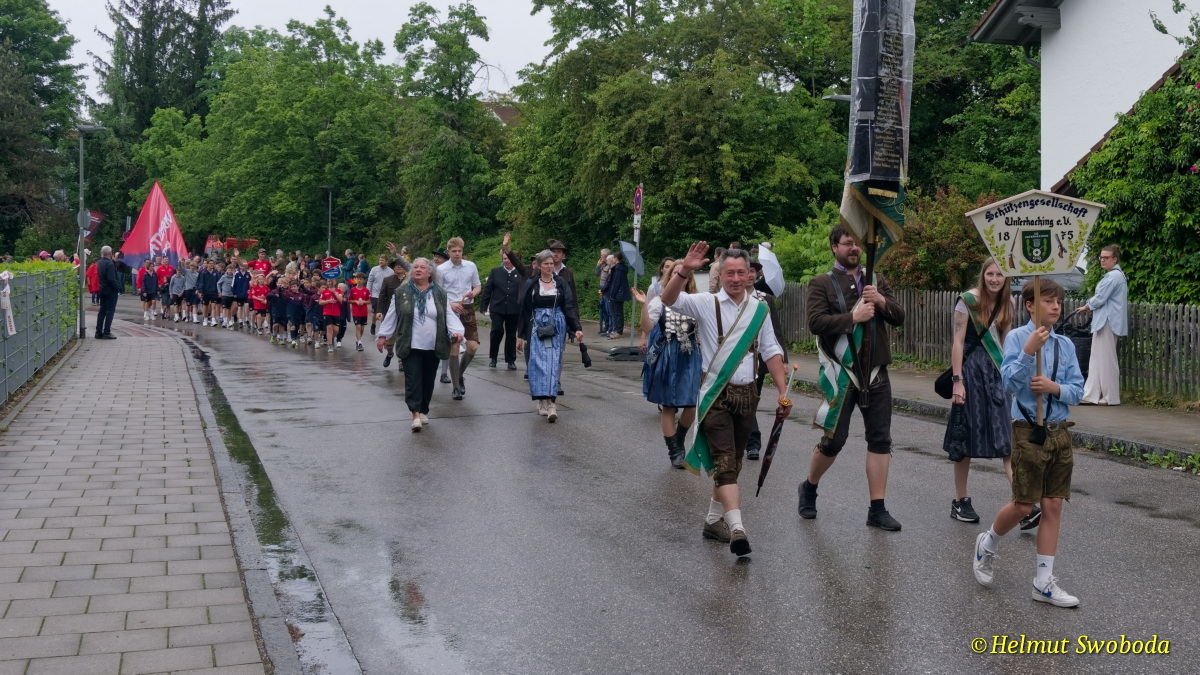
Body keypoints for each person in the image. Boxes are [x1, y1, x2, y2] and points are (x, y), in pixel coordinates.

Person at [659, 244, 790, 557]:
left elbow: (771, 349)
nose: (735, 278)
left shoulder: (759, 309)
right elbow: (668, 299)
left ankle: (712, 521)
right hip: (715, 394)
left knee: (735, 461)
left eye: (740, 272)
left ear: (749, 274)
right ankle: (737, 528)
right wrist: (684, 270)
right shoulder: (706, 303)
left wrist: (783, 391)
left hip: (748, 395)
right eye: (729, 273)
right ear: (720, 274)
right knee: (725, 462)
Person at [972, 277, 1084, 608]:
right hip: (1027, 430)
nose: (1055, 307)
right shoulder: (1018, 338)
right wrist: (1027, 352)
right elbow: (1008, 383)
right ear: (1030, 305)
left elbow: (1078, 390)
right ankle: (988, 543)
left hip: (1059, 431)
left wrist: (1054, 388)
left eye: (1058, 302)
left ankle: (1043, 582)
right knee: (1023, 504)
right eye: (1048, 301)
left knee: (1053, 505)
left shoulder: (1065, 345)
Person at [800, 225, 906, 531]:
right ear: (834, 247)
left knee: (880, 440)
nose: (854, 248)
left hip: (875, 372)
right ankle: (809, 486)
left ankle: (877, 509)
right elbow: (816, 322)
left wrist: (881, 300)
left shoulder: (875, 281)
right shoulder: (821, 283)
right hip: (843, 374)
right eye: (848, 243)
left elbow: (898, 317)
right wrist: (853, 318)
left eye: (857, 243)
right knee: (834, 440)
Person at [946, 258, 1014, 524]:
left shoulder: (1007, 303)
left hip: (996, 376)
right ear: (983, 275)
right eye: (990, 274)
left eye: (999, 274)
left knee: (1007, 438)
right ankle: (960, 501)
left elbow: (1007, 343)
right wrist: (957, 381)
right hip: (971, 374)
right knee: (964, 438)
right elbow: (958, 342)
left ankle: (1022, 502)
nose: (994, 279)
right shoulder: (968, 301)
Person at [375, 258, 465, 432]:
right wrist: (383, 336)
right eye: (415, 267)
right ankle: (415, 414)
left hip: (433, 345)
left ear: (429, 272)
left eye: (422, 267)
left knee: (428, 380)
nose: (418, 269)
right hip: (410, 344)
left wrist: (457, 331)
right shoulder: (401, 292)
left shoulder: (439, 293)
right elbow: (392, 315)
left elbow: (447, 314)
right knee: (413, 379)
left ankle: (423, 409)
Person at [632, 260, 700, 469]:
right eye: (675, 273)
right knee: (669, 405)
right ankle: (674, 451)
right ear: (669, 277)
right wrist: (644, 305)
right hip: (668, 355)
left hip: (690, 355)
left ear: (688, 279)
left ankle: (679, 438)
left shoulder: (697, 300)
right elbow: (647, 327)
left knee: (691, 403)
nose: (679, 277)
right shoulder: (659, 302)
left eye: (683, 274)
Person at [516, 250, 584, 422]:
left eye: (551, 264)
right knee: (539, 364)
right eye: (545, 264)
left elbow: (569, 306)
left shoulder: (560, 283)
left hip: (556, 326)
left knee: (553, 363)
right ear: (539, 266)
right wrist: (520, 335)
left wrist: (576, 328)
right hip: (537, 326)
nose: (549, 267)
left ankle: (552, 404)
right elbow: (524, 310)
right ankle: (542, 400)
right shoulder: (532, 284)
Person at [1080, 244, 1128, 406]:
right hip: (1104, 321)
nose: (1102, 260)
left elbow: (1100, 298)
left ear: (1115, 259)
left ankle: (1110, 397)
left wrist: (1087, 306)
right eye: (1101, 257)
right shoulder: (1113, 275)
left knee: (1107, 360)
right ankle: (1090, 395)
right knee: (1097, 359)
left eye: (1106, 257)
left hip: (1108, 321)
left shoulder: (1113, 276)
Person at [437, 237, 482, 400]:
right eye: (454, 251)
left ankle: (459, 375)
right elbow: (437, 293)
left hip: (467, 308)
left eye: (459, 251)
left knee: (472, 347)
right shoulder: (441, 269)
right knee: (454, 346)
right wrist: (450, 304)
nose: (457, 254)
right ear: (448, 252)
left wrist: (473, 293)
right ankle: (456, 387)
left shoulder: (471, 266)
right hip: (450, 310)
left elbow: (477, 286)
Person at [480, 249, 523, 370]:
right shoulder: (495, 272)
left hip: (514, 308)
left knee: (511, 334)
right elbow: (488, 289)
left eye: (509, 258)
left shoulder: (521, 273)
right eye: (504, 259)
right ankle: (493, 358)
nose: (507, 261)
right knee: (497, 331)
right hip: (497, 308)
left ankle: (511, 360)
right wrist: (483, 306)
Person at [376, 258, 411, 368]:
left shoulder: (411, 280)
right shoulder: (388, 280)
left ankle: (401, 361)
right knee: (389, 342)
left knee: (402, 339)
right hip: (390, 314)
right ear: (393, 268)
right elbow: (382, 297)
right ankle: (390, 354)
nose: (399, 266)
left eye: (401, 265)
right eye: (396, 265)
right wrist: (379, 311)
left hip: (405, 315)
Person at [602, 252, 630, 339]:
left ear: (616, 258)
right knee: (617, 313)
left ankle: (618, 331)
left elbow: (616, 283)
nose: (612, 259)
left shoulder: (618, 269)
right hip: (619, 293)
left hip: (618, 294)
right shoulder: (619, 268)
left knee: (617, 313)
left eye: (613, 258)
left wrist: (612, 295)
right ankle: (617, 330)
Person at [95, 246, 119, 339]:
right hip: (110, 291)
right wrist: (118, 287)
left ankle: (98, 332)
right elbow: (111, 279)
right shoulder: (110, 264)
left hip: (102, 289)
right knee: (110, 311)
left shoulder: (99, 262)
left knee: (102, 311)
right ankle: (107, 332)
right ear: (110, 253)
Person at [367, 254, 394, 335]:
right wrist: (368, 292)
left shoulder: (391, 271)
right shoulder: (374, 269)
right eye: (380, 260)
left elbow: (392, 283)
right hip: (375, 294)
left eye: (382, 260)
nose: (380, 262)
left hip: (386, 295)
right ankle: (373, 325)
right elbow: (370, 281)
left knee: (384, 312)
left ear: (386, 261)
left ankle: (383, 328)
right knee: (375, 312)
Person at [318, 278, 344, 352]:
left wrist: (335, 293)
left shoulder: (339, 291)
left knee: (336, 330)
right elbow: (320, 302)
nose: (330, 282)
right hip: (327, 312)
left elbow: (341, 301)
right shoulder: (324, 291)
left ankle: (330, 338)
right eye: (329, 281)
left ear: (335, 282)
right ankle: (330, 345)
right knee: (329, 328)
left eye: (332, 281)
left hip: (336, 312)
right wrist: (328, 301)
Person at [349, 273, 372, 350]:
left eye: (361, 279)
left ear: (364, 280)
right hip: (355, 312)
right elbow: (349, 300)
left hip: (364, 312)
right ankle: (359, 343)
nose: (359, 280)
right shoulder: (352, 290)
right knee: (358, 327)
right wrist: (356, 301)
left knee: (362, 328)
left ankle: (358, 340)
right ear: (356, 280)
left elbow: (369, 301)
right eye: (358, 278)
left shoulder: (366, 290)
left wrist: (363, 302)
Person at [595, 249, 613, 334]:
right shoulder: (603, 265)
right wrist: (598, 265)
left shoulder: (610, 265)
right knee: (602, 309)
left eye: (602, 255)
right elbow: (596, 273)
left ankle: (609, 328)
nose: (600, 257)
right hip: (601, 290)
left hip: (607, 290)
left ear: (606, 256)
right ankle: (605, 327)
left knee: (607, 309)